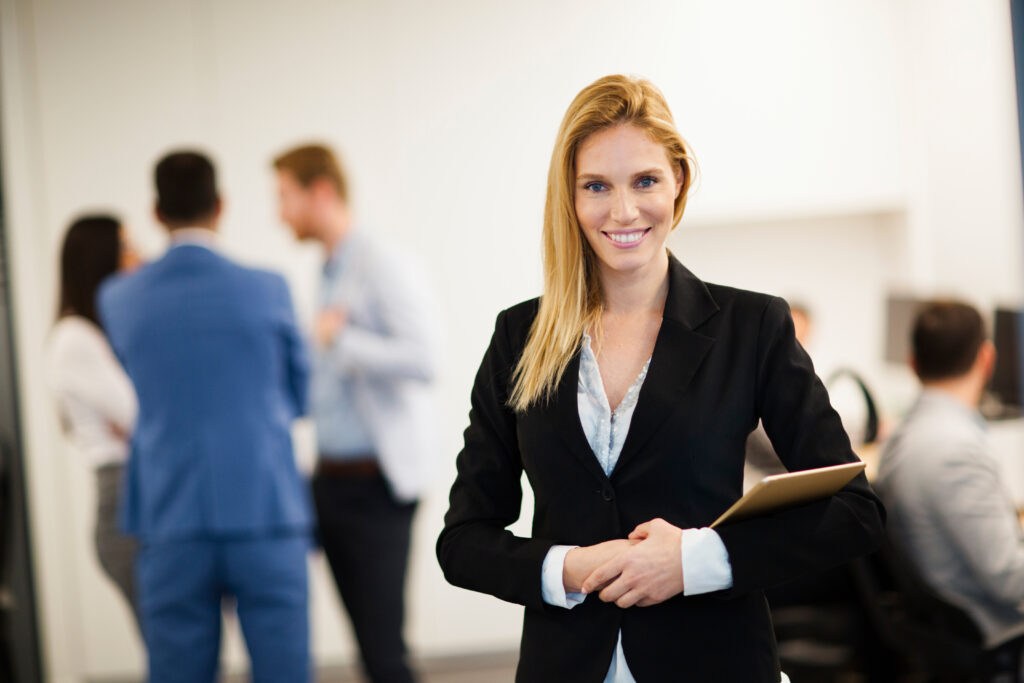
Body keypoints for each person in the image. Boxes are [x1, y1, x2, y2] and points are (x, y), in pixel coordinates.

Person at [436, 74, 885, 682]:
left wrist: (695, 561)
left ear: (679, 181)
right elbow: (463, 541)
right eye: (596, 185)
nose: (624, 211)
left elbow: (855, 513)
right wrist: (569, 567)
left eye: (645, 180)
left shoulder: (752, 326)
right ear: (569, 199)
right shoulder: (519, 336)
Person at [98, 151, 312, 683]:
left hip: (169, 516)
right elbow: (299, 393)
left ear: (155, 212)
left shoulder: (119, 297)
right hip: (266, 510)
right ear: (221, 206)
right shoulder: (269, 288)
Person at [273, 143, 440, 683]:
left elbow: (424, 359)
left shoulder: (380, 260)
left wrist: (341, 339)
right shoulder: (324, 271)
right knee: (366, 651)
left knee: (384, 651)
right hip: (329, 480)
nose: (279, 212)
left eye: (285, 196)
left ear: (320, 192)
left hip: (376, 487)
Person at [877, 300, 1024, 643]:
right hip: (993, 630)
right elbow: (1010, 580)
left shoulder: (903, 436)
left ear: (913, 362)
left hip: (947, 620)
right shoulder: (954, 451)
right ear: (986, 358)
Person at [46, 214, 142, 629]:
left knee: (178, 647)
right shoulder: (75, 338)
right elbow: (144, 417)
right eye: (126, 247)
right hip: (123, 501)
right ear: (100, 260)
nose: (138, 255)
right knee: (174, 650)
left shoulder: (105, 332)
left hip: (141, 492)